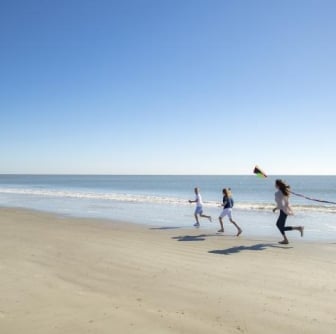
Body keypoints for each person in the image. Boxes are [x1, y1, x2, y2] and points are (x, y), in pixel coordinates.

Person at [273, 179, 304, 244]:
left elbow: (280, 204)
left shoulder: (277, 193)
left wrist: (277, 208)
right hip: (285, 211)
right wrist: (278, 208)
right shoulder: (284, 192)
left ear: (277, 185)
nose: (274, 185)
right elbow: (286, 203)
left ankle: (299, 228)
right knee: (279, 225)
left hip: (283, 211)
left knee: (280, 226)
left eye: (275, 184)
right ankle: (286, 239)